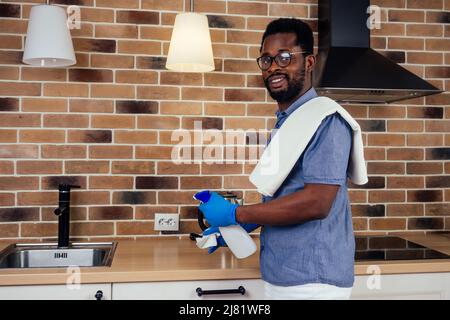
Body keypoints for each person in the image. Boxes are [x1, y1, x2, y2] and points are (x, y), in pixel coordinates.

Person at [197, 18, 357, 300]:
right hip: (282, 274)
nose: (274, 67)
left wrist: (238, 213)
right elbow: (287, 196)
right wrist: (240, 226)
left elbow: (316, 202)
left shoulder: (326, 120)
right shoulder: (289, 122)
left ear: (308, 62)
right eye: (267, 59)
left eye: (285, 57)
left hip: (312, 282)